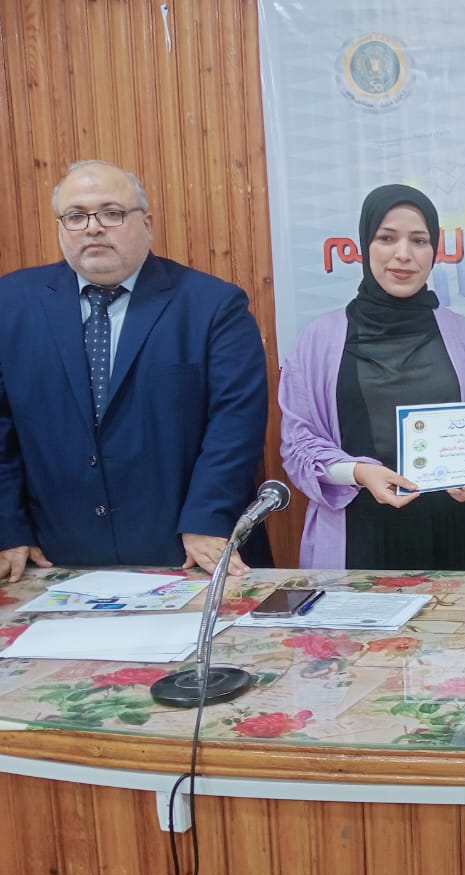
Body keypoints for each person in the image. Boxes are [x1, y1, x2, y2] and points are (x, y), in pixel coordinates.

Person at [0, 160, 269, 582]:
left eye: (111, 213)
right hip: (54, 557)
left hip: (191, 550)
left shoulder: (212, 306)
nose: (93, 228)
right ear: (60, 228)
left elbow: (236, 424)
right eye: (76, 216)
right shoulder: (11, 304)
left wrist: (207, 517)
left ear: (147, 223)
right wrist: (8, 527)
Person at [279, 184, 465, 569]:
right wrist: (359, 472)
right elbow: (298, 444)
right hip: (361, 532)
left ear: (434, 251)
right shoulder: (318, 340)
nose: (403, 254)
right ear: (365, 245)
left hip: (460, 532)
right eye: (387, 238)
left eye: (419, 240)